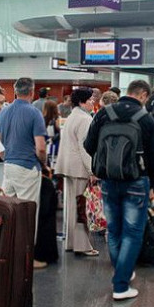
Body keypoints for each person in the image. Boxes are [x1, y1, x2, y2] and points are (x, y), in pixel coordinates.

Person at [84, 80, 154, 300]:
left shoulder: (103, 114)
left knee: (114, 229)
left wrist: (108, 160)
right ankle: (120, 285)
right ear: (143, 95)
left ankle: (122, 271)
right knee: (133, 232)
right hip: (137, 181)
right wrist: (152, 184)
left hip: (108, 180)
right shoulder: (146, 118)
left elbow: (89, 145)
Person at [0, 77, 48, 268]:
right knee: (27, 214)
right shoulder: (34, 113)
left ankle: (7, 253)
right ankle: (26, 260)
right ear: (32, 92)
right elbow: (40, 147)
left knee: (8, 212)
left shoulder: (3, 112)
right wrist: (44, 163)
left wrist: (8, 157)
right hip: (27, 168)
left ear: (15, 91)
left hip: (8, 167)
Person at [55, 88, 98, 256]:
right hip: (79, 168)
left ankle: (71, 242)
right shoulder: (85, 119)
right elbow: (84, 148)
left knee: (71, 207)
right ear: (82, 102)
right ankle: (82, 245)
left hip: (68, 167)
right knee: (81, 207)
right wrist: (92, 170)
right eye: (90, 99)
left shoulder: (72, 116)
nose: (93, 102)